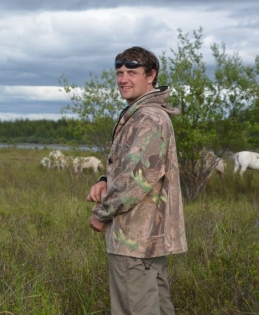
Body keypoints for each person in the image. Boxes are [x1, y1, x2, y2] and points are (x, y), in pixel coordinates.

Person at [87, 46, 187, 315]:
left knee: (133, 309)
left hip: (135, 240)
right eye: (119, 72)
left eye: (132, 72)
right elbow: (134, 166)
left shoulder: (148, 119)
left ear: (151, 75)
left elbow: (135, 181)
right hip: (145, 239)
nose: (123, 79)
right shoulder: (142, 114)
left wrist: (102, 213)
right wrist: (105, 179)